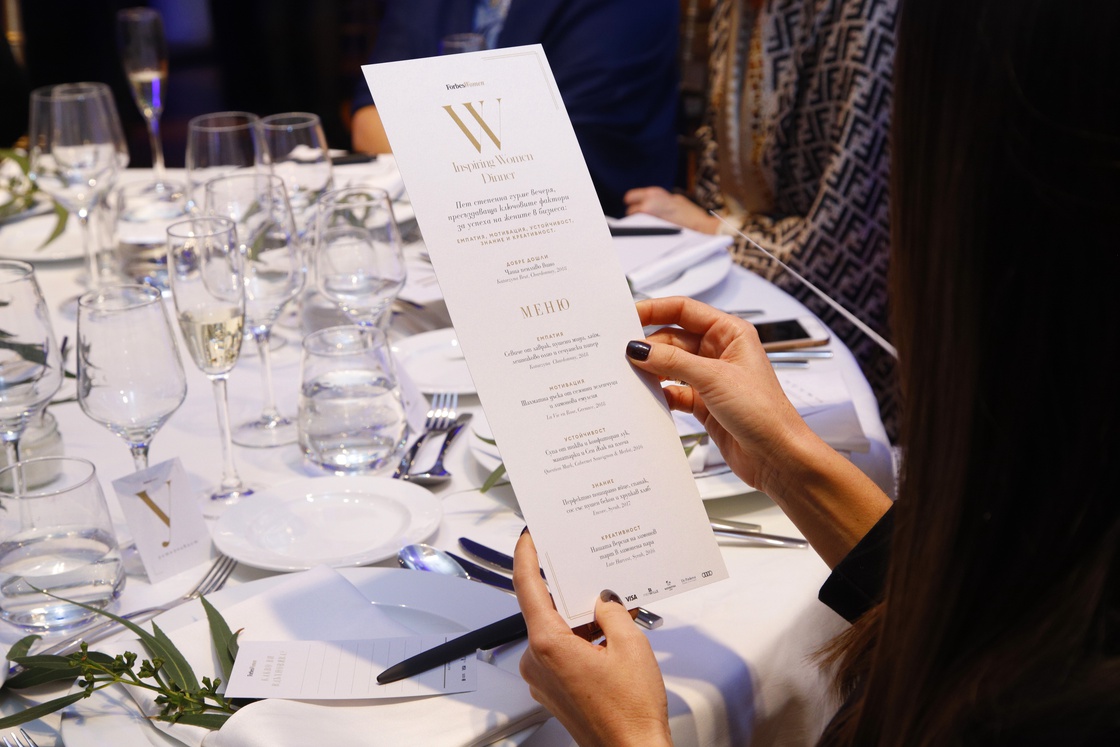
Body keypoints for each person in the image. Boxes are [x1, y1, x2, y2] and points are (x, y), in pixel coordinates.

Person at [513, 0, 1120, 743]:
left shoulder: (1070, 696)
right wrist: (784, 456)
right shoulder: (1057, 533)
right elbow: (982, 616)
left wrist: (631, 734)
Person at [624, 0, 900, 440]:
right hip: (745, 286)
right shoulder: (732, 10)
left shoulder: (869, 16)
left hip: (864, 344)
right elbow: (715, 164)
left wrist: (714, 229)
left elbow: (839, 250)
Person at [349, 0, 680, 218]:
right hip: (441, 221)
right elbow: (370, 120)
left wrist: (419, 132)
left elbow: (548, 147)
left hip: (588, 225)